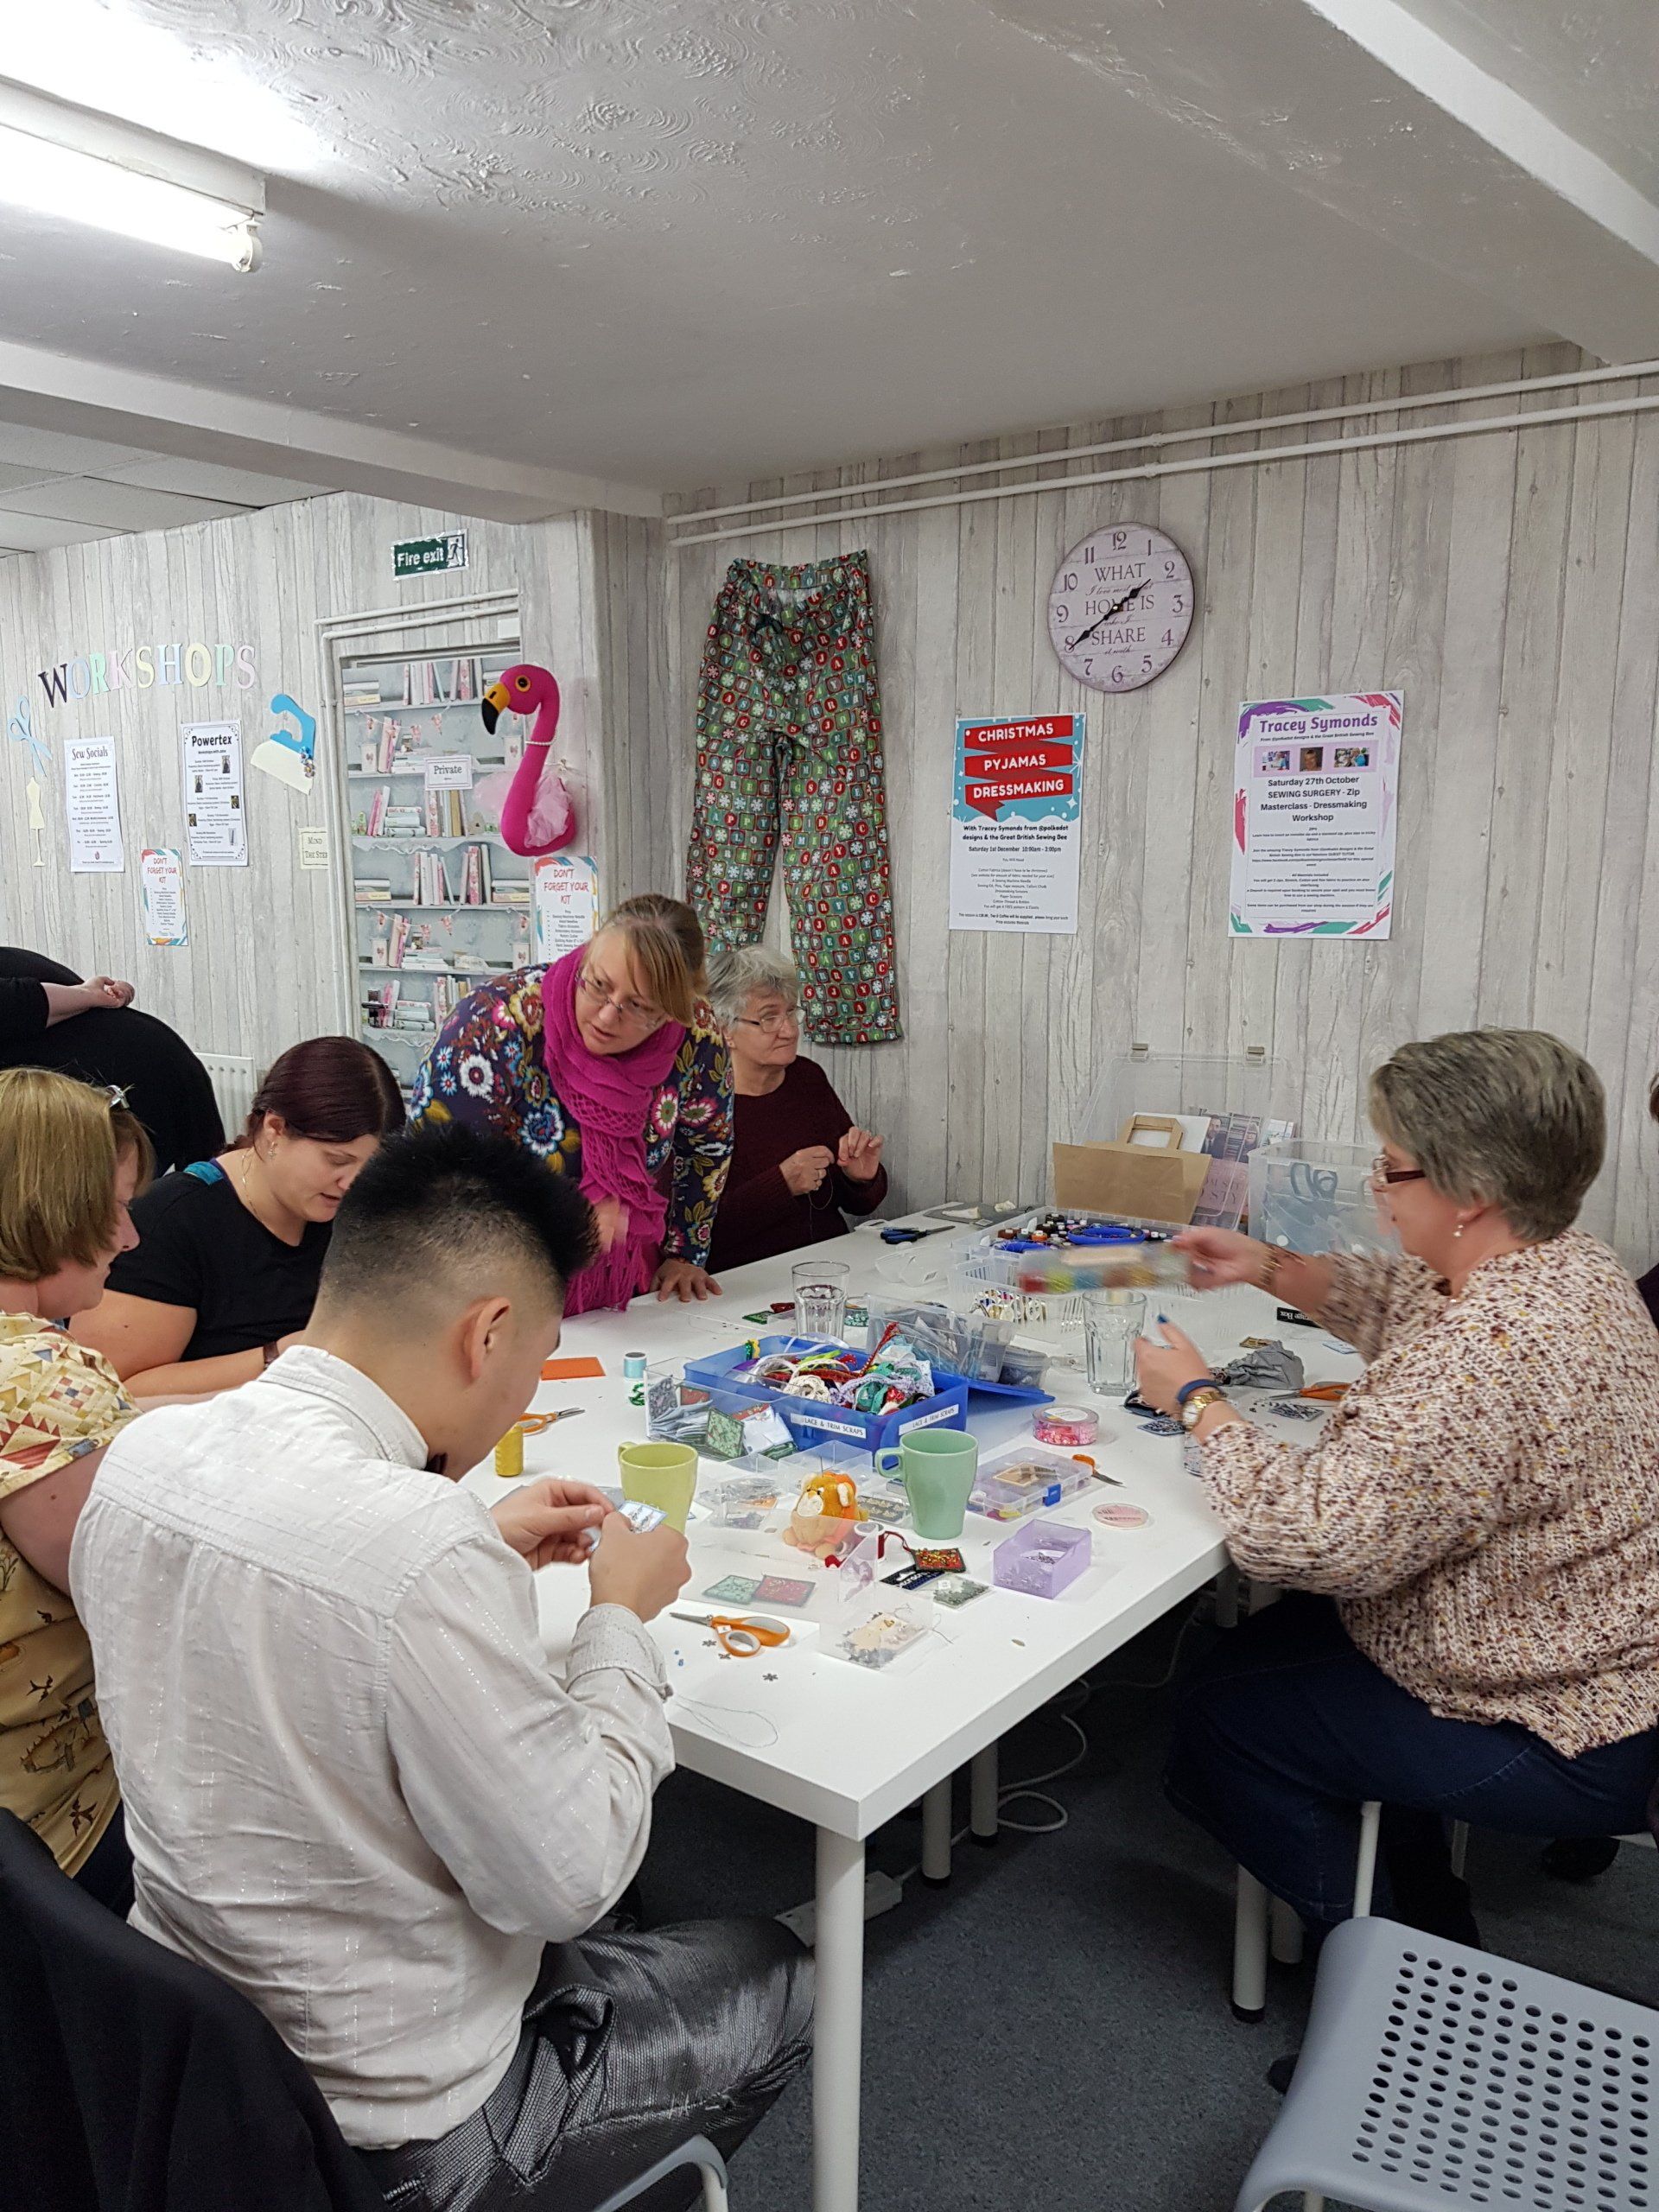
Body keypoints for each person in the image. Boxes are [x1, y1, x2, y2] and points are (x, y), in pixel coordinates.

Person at [73, 1122, 812, 2209]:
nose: (523, 1393)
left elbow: (308, 1579)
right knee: (777, 1968)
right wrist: (618, 1617)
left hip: (188, 2053)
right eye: (535, 1361)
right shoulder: (422, 1550)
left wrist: (475, 1535)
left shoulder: (144, 1453)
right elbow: (575, 1878)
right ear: (488, 1332)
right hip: (390, 2131)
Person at [1137, 1029, 1659, 1945]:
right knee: (1256, 1659)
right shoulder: (1570, 1263)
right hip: (1582, 1655)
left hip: (1556, 1715)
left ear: (1473, 1193)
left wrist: (1198, 1401)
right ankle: (1423, 1903)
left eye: (1393, 1168)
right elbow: (1409, 1296)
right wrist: (1266, 1264)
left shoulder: (1486, 1358)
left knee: (1220, 1719)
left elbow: (1306, 1537)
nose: (1378, 1188)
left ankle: (1399, 1967)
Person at [414, 893, 733, 1308]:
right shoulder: (492, 1026)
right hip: (492, 1285)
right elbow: (432, 1175)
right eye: (598, 985)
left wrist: (685, 1254)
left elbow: (708, 1146)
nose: (606, 1016)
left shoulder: (695, 1035)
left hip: (623, 1283)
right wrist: (561, 1218)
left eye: (639, 1006)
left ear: (671, 1011)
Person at [0, 1067, 156, 1915]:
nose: (127, 1237)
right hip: (54, 1826)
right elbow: (144, 1600)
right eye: (115, 1207)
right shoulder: (51, 1381)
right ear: (48, 1208)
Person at [73, 1035, 404, 1396]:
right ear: (274, 1129)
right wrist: (280, 1356)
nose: (351, 1183)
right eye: (337, 1160)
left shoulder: (359, 1213)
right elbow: (112, 1390)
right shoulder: (173, 1220)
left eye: (370, 1166)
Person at [704, 944, 887, 1274]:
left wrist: (861, 1178)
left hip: (829, 1268)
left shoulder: (807, 1077)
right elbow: (694, 1235)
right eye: (769, 1018)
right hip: (743, 1282)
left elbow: (857, 1204)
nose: (789, 1030)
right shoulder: (700, 1106)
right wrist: (781, 1184)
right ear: (725, 1029)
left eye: (791, 1013)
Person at [0, 947, 225, 1173]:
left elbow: (22, 1004)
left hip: (133, 1082)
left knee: (193, 1182)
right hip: (155, 1058)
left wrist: (91, 994)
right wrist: (94, 994)